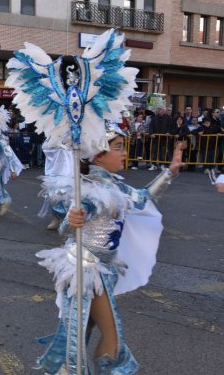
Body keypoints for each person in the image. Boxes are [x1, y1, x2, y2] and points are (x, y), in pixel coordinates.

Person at [35, 122, 184, 374]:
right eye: (118, 148)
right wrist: (72, 221)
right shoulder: (90, 191)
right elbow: (68, 228)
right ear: (98, 156)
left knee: (79, 330)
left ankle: (62, 369)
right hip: (88, 270)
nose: (124, 153)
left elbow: (143, 197)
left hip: (104, 268)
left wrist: (169, 173)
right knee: (113, 342)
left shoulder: (116, 186)